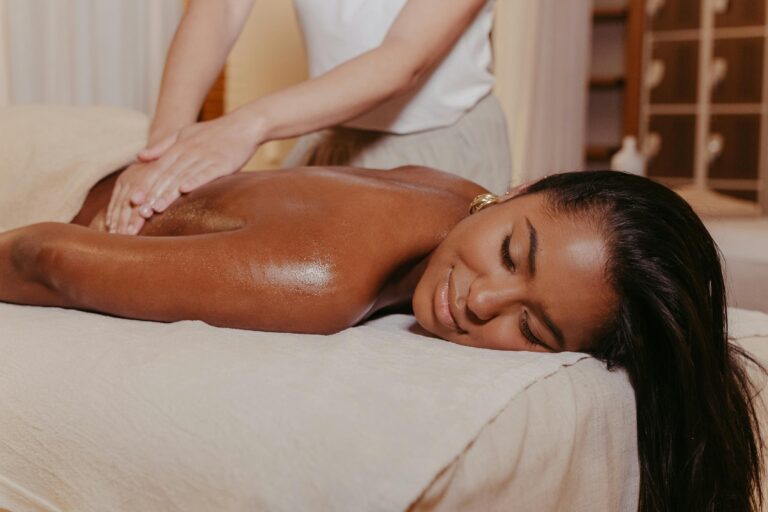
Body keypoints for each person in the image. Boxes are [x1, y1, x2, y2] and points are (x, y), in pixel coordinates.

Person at [0, 165, 763, 510]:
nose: (482, 300)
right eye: (511, 253)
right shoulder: (323, 280)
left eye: (531, 326)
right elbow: (47, 259)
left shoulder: (462, 195)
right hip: (56, 178)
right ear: (524, 188)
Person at [105, 0, 511, 235]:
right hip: (327, 141)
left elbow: (404, 59)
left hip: (442, 152)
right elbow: (220, 9)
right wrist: (164, 147)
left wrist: (244, 126)